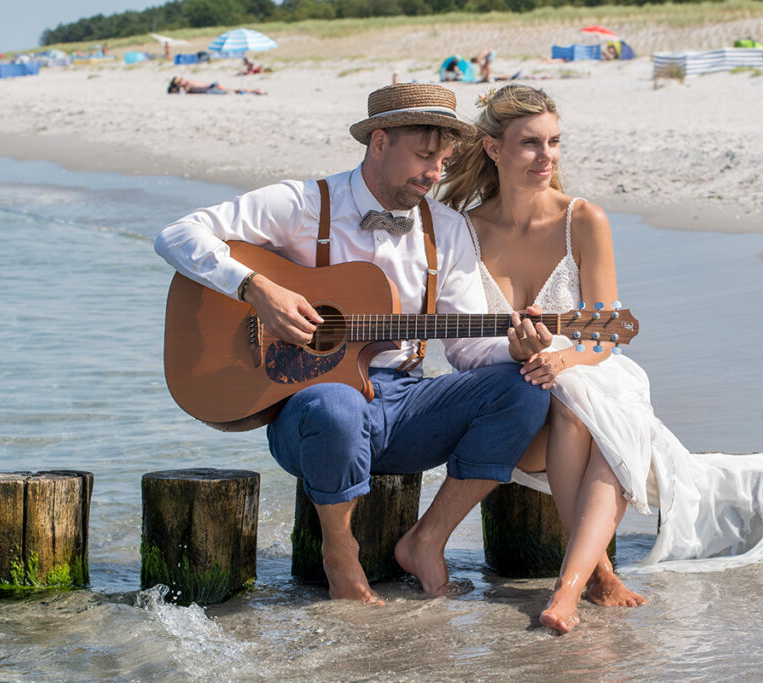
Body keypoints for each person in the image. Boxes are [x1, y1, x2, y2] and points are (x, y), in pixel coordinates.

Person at [154, 83, 551, 606]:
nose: (435, 174)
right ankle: (340, 554)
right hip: (311, 414)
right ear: (380, 142)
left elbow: (466, 351)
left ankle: (427, 541)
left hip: (406, 405)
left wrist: (517, 350)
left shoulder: (448, 230)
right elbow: (178, 234)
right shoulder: (301, 204)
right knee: (336, 403)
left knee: (522, 391)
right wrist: (257, 288)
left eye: (444, 160)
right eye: (424, 156)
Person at [438, 85, 763, 634]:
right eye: (530, 144)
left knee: (579, 405)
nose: (547, 157)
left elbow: (605, 337)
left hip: (590, 375)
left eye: (554, 142)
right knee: (575, 413)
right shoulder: (463, 231)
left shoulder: (583, 220)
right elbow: (458, 345)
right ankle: (600, 577)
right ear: (494, 150)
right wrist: (515, 351)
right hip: (513, 405)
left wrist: (564, 362)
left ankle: (568, 590)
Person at [167, 76, 266, 95]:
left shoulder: (188, 84)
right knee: (232, 90)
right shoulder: (187, 84)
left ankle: (254, 91)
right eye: (181, 80)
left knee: (231, 91)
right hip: (211, 87)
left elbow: (179, 92)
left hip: (211, 88)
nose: (183, 79)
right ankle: (254, 91)